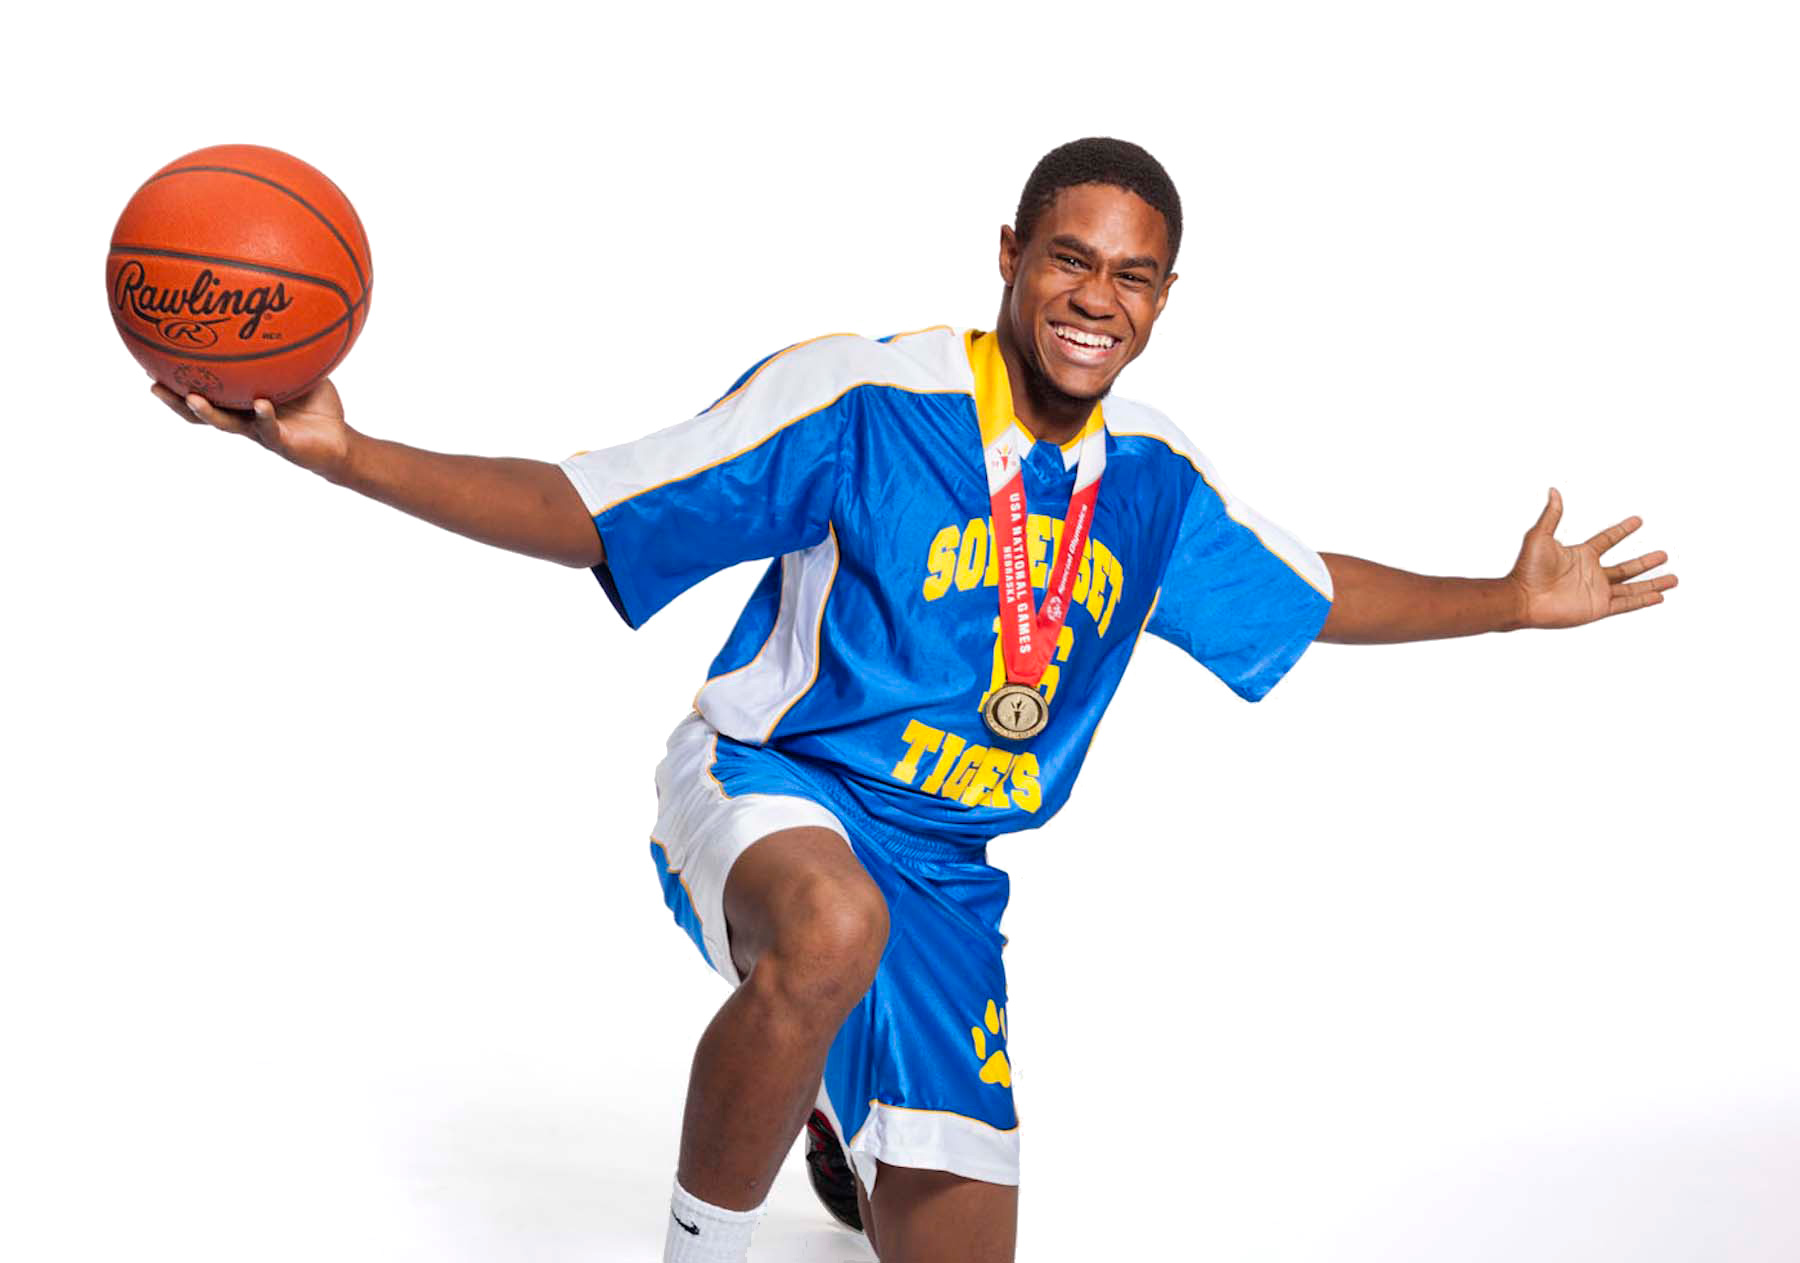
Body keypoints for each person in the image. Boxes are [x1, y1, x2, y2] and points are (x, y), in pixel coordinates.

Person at [152, 137, 1676, 1263]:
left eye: (1133, 275)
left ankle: (832, 1100)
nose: (1096, 298)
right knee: (831, 930)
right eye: (1070, 259)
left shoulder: (1151, 476)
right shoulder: (865, 399)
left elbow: (1313, 594)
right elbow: (591, 506)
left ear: (1165, 298)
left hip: (948, 872)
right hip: (774, 786)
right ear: (1009, 253)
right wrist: (348, 456)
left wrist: (1508, 602)